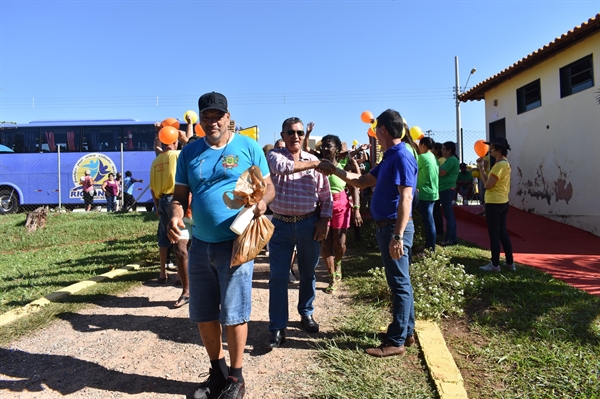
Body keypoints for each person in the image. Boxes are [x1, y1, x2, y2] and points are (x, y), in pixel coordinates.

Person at [168, 92, 275, 399]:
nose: (212, 122)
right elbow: (179, 198)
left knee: (235, 313)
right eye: (206, 117)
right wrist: (176, 217)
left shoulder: (248, 146)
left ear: (228, 117)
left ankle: (236, 378)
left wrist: (261, 206)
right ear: (200, 120)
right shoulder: (190, 153)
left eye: (218, 116)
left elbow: (269, 189)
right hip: (201, 244)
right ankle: (217, 372)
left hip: (236, 244)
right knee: (203, 313)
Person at [317, 109, 418, 357]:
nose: (373, 134)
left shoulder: (401, 156)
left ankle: (396, 342)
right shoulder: (390, 157)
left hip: (394, 228)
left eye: (375, 129)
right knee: (401, 281)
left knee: (399, 283)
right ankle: (407, 332)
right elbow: (361, 181)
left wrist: (397, 236)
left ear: (382, 130)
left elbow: (406, 197)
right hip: (388, 228)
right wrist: (335, 170)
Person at [266, 116, 332, 349]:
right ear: (282, 135)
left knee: (308, 273)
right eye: (291, 132)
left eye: (299, 132)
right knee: (278, 276)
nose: (296, 136)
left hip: (308, 224)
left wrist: (324, 220)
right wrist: (315, 164)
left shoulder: (314, 161)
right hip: (280, 225)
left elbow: (325, 195)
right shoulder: (274, 157)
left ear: (304, 136)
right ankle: (277, 326)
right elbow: (282, 169)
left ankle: (306, 313)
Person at [319, 134, 361, 293]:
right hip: (322, 207)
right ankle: (332, 277)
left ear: (336, 149)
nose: (324, 148)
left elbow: (354, 187)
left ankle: (338, 263)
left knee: (340, 244)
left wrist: (356, 209)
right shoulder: (316, 165)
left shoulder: (344, 166)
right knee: (325, 243)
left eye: (328, 146)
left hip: (341, 206)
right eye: (323, 145)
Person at [476, 137, 515, 272]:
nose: (490, 150)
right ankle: (510, 263)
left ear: (498, 149)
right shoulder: (504, 163)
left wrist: (481, 169)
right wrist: (482, 169)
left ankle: (495, 264)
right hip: (503, 201)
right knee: (503, 233)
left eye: (492, 148)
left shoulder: (499, 165)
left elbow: (487, 185)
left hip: (494, 203)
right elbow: (489, 182)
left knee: (494, 234)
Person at [417, 137, 439, 251]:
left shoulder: (422, 157)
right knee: (429, 221)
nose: (419, 148)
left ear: (424, 145)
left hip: (424, 193)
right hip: (433, 192)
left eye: (419, 145)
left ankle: (430, 248)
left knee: (429, 222)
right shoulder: (433, 157)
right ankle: (428, 245)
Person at [438, 141, 460, 246]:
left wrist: (434, 166)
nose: (442, 151)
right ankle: (453, 237)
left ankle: (449, 239)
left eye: (443, 149)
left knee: (448, 215)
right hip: (446, 188)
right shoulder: (450, 160)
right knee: (449, 215)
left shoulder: (451, 160)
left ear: (449, 150)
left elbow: (442, 172)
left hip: (447, 189)